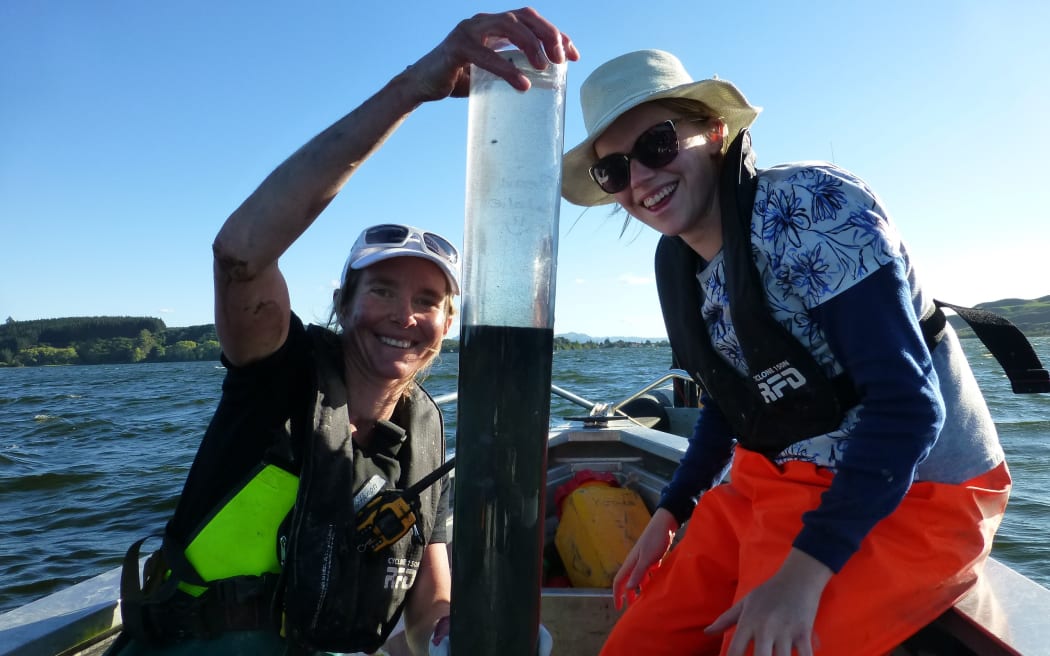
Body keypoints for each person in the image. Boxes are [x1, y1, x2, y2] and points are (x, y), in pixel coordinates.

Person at [108, 8, 577, 656]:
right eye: (382, 290)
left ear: (447, 322)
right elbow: (240, 254)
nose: (405, 315)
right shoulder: (278, 373)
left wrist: (450, 630)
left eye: (429, 300)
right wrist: (414, 86)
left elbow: (426, 602)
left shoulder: (425, 432)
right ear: (344, 303)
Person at [560, 50, 1011, 656]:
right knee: (635, 645)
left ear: (715, 131)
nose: (640, 179)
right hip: (766, 480)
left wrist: (802, 576)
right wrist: (671, 509)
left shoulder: (809, 208)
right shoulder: (683, 265)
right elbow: (735, 400)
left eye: (658, 144)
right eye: (615, 170)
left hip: (913, 493)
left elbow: (907, 409)